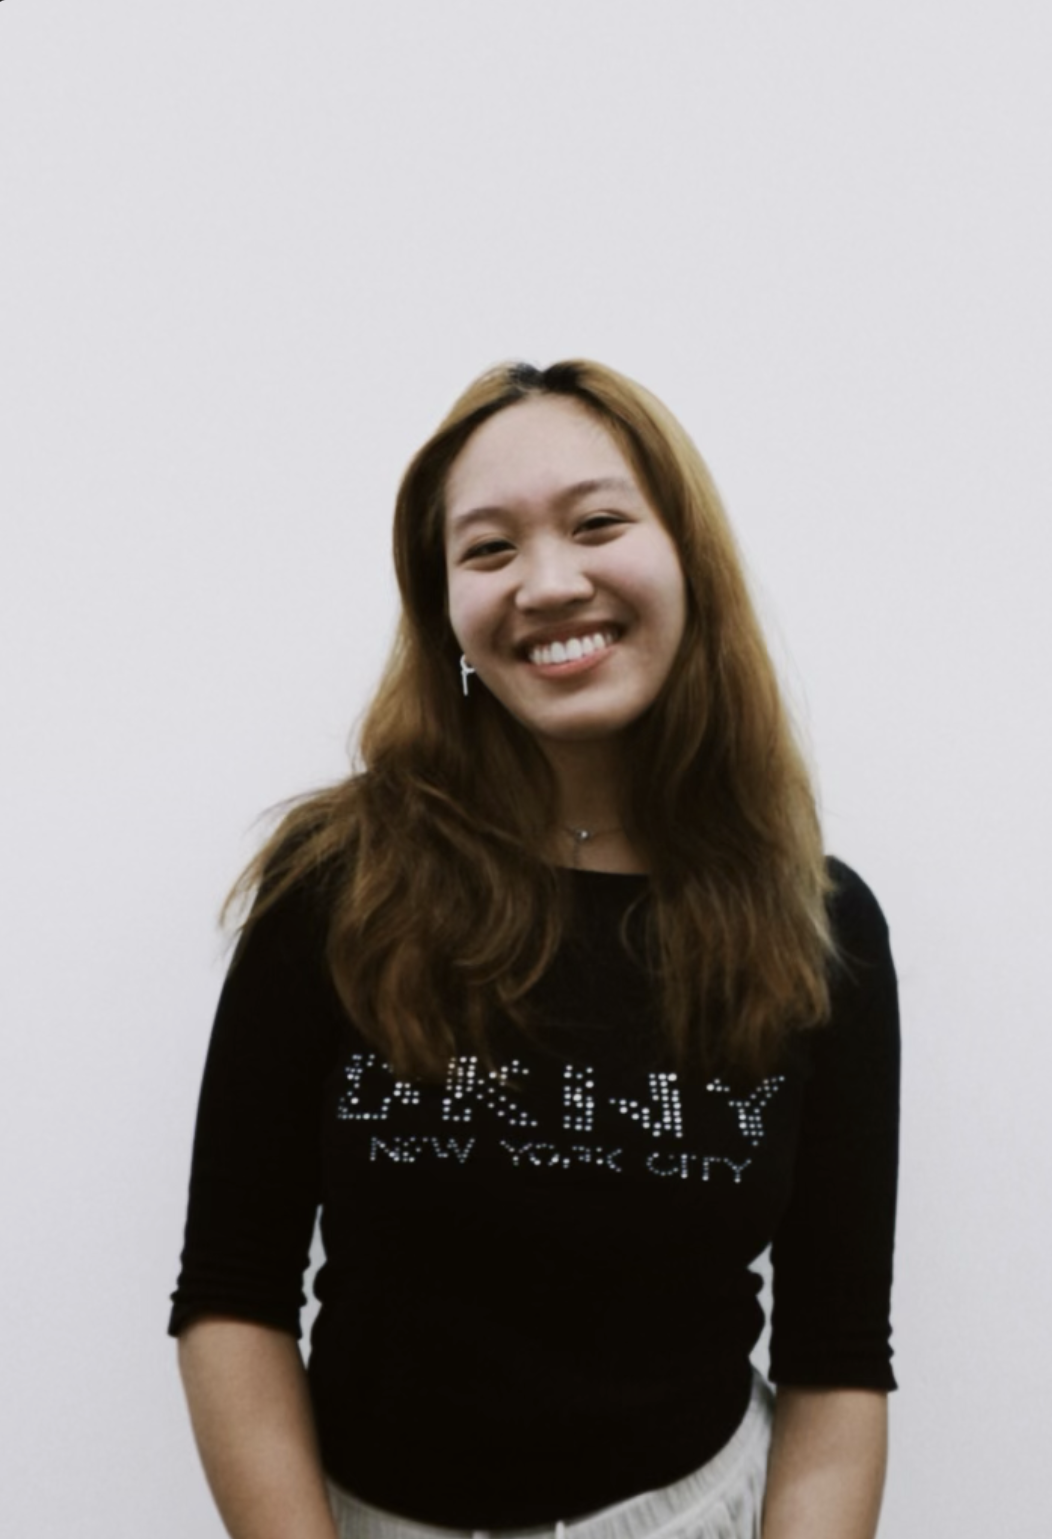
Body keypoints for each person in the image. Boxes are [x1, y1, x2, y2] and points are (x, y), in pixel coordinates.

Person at [170, 359, 900, 1539]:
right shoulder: (334, 888)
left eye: (598, 523)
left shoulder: (814, 926)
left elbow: (838, 1358)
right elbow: (231, 1296)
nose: (549, 583)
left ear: (686, 561)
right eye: (489, 548)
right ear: (446, 606)